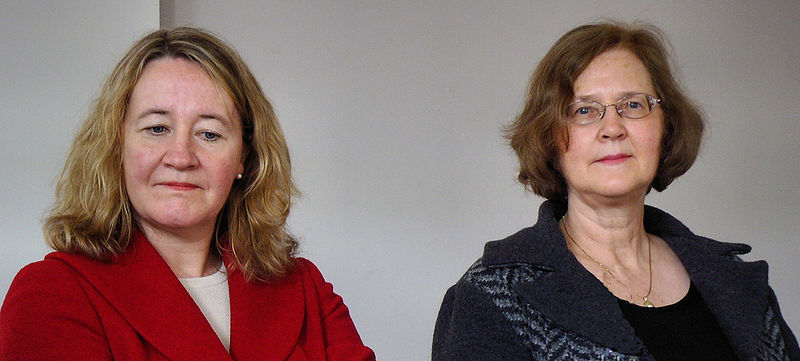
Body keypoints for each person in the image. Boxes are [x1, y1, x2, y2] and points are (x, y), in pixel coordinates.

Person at [0, 27, 375, 361]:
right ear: (117, 146)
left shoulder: (304, 289)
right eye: (157, 128)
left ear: (243, 156)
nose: (180, 157)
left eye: (210, 134)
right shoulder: (52, 294)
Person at [433, 21, 799, 361]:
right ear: (549, 138)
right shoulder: (492, 296)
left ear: (665, 126)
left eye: (634, 105)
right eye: (583, 110)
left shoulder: (733, 278)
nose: (613, 127)